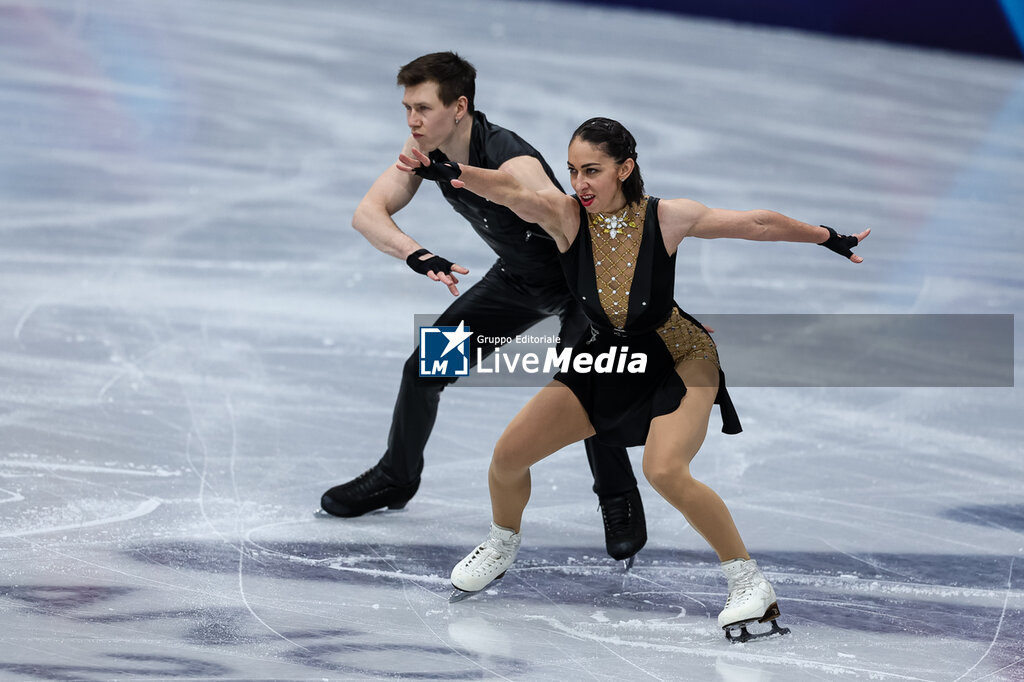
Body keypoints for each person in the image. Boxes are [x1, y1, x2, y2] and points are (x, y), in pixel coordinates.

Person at [397, 116, 868, 641]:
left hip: (678, 355)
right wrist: (453, 172)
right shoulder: (566, 218)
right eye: (574, 170)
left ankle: (749, 581)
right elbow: (511, 190)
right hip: (608, 357)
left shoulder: (666, 218)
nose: (580, 183)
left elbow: (757, 224)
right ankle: (502, 542)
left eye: (593, 171)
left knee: (665, 469)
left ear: (626, 168)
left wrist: (828, 237)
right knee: (508, 457)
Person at [321, 53, 649, 564]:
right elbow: (368, 213)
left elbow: (536, 194)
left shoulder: (504, 151)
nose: (412, 120)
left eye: (423, 108)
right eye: (407, 107)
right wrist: (416, 253)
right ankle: (396, 477)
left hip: (580, 286)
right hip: (517, 283)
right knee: (425, 369)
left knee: (585, 388)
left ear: (459, 107)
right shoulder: (422, 150)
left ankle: (618, 499)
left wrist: (463, 174)